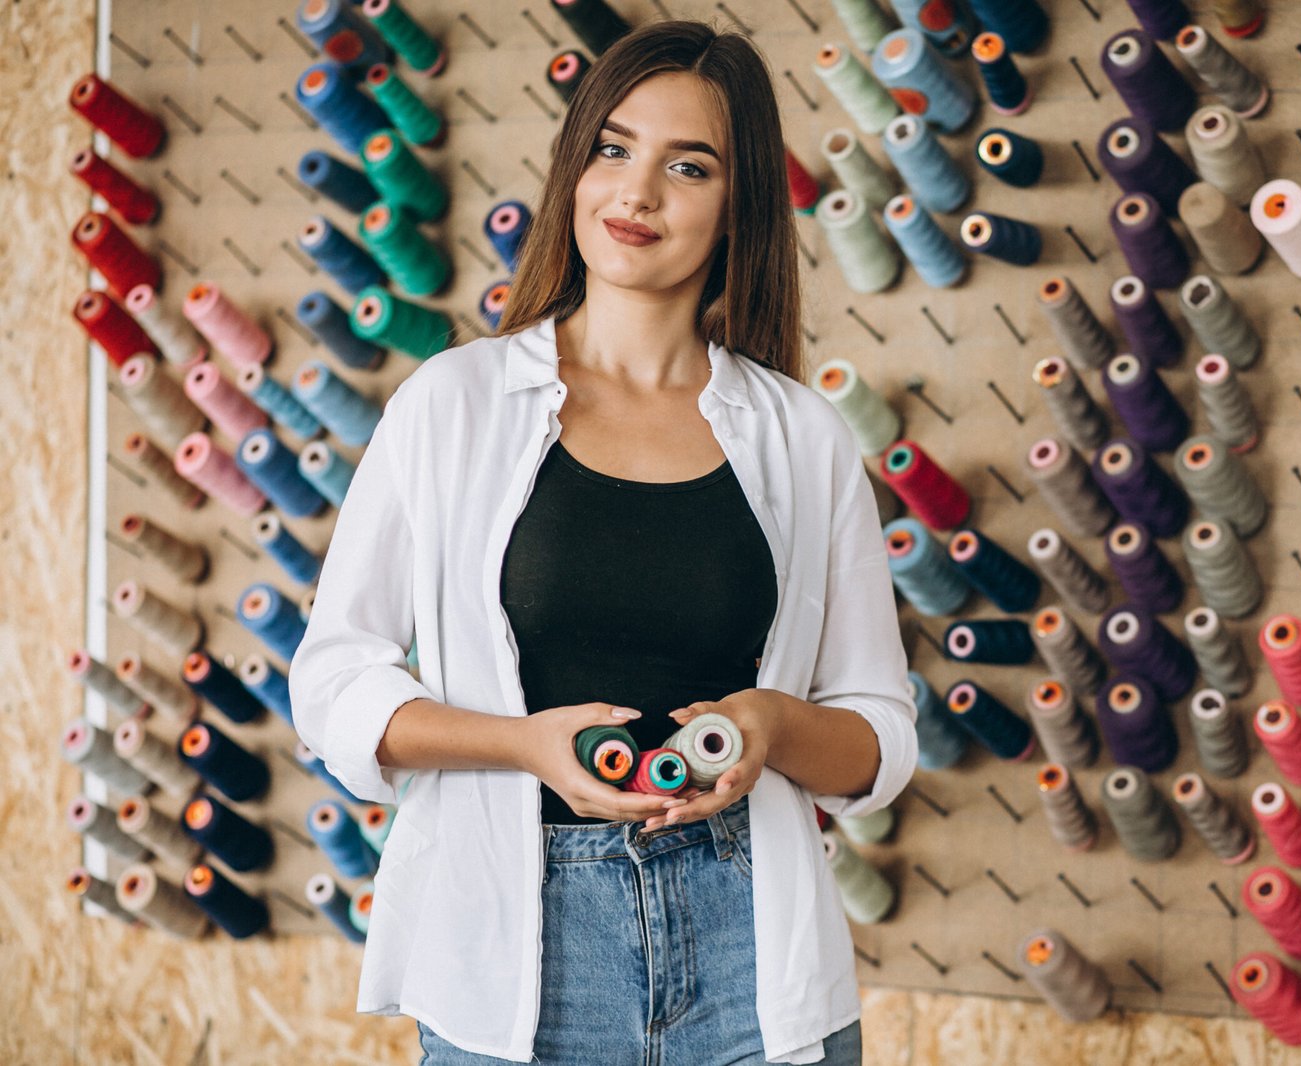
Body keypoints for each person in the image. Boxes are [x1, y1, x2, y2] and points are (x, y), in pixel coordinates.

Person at [288, 18, 917, 1066]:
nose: (637, 193)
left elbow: (877, 739)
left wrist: (766, 723)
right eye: (612, 148)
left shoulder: (801, 436)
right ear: (573, 167)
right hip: (516, 962)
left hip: (751, 957)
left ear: (737, 205)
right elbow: (333, 683)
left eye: (688, 166)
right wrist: (520, 743)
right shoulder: (454, 405)